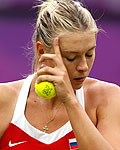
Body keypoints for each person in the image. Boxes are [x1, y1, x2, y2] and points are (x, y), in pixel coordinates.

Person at [0, 0, 120, 149]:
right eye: (71, 57)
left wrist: (71, 100)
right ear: (42, 51)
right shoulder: (4, 98)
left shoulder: (108, 98)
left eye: (89, 54)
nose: (83, 66)